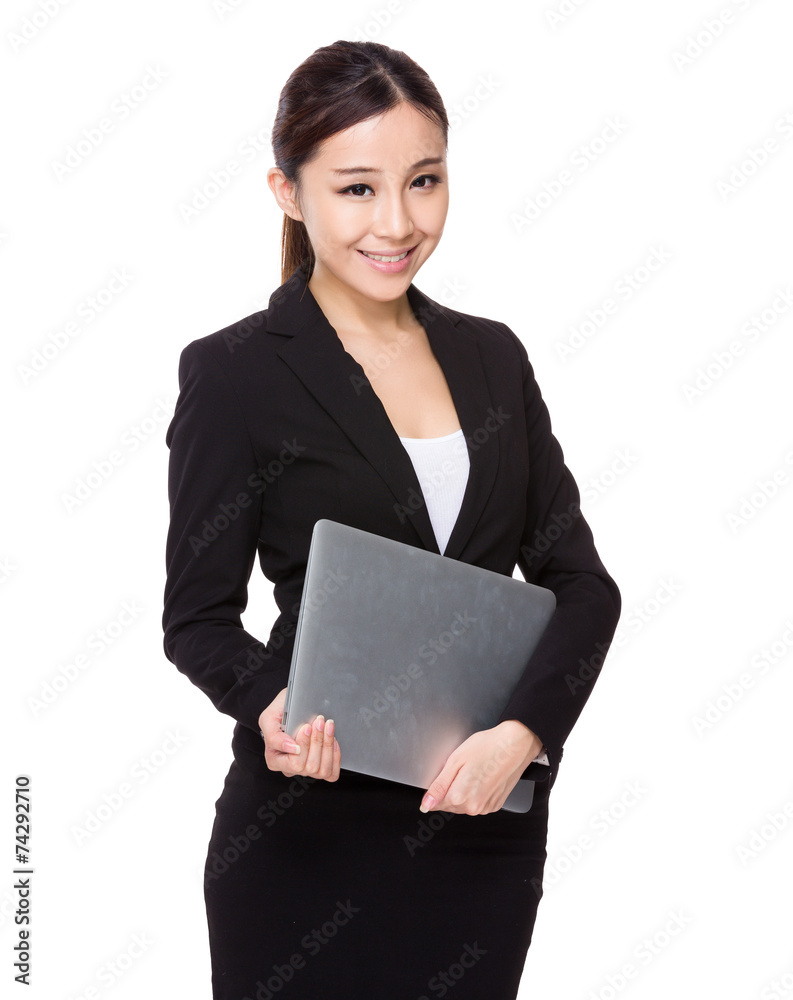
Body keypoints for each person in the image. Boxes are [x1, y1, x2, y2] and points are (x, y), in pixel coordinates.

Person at [162, 38, 621, 1000]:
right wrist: (266, 702)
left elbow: (582, 584)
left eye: (424, 180)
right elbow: (196, 618)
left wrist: (523, 736)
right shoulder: (236, 372)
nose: (399, 223)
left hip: (480, 824)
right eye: (357, 188)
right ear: (289, 193)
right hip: (302, 831)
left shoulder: (493, 358)